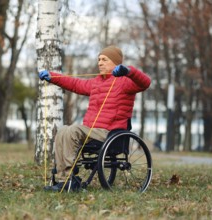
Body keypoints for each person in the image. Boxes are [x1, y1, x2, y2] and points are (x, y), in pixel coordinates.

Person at [39, 45, 151, 191]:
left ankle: (68, 181)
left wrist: (128, 71)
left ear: (116, 63)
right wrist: (52, 76)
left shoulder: (125, 82)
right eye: (99, 59)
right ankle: (63, 179)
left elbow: (145, 82)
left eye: (104, 59)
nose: (100, 63)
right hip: (91, 131)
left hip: (109, 133)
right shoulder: (96, 82)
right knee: (63, 130)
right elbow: (74, 83)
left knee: (72, 130)